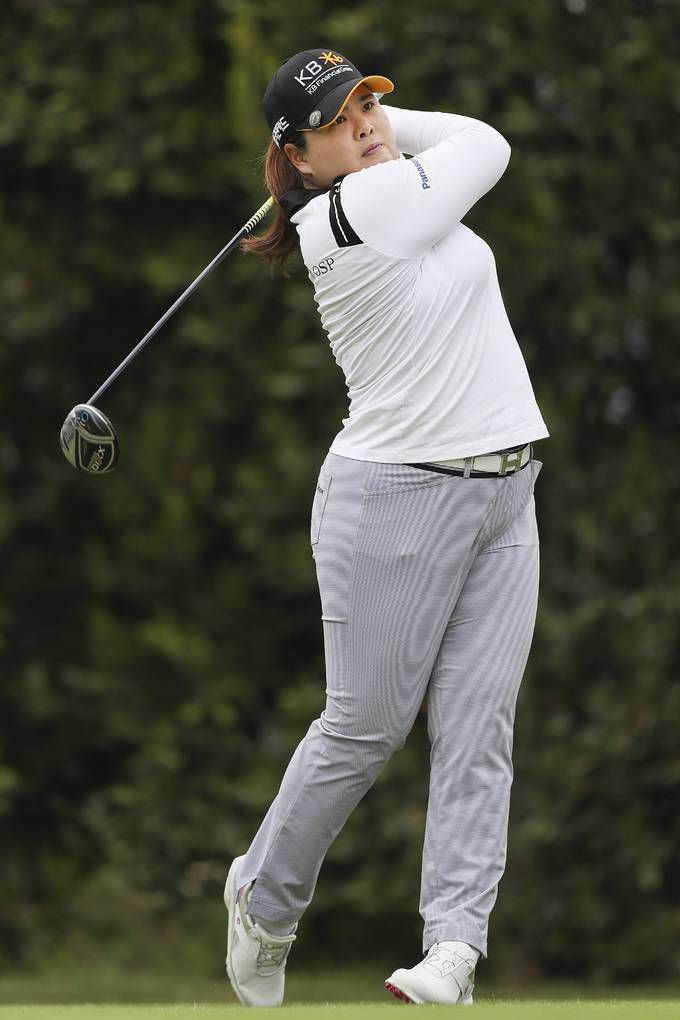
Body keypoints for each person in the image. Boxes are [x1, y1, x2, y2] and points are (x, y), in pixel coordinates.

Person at [223, 47, 550, 1008]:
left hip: (505, 488)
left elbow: (461, 149)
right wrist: (378, 141)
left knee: (479, 730)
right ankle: (263, 899)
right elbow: (486, 144)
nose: (365, 123)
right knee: (364, 728)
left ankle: (453, 948)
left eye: (368, 104)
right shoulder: (353, 212)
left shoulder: (386, 186)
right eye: (336, 120)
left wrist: (362, 128)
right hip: (395, 498)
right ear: (297, 157)